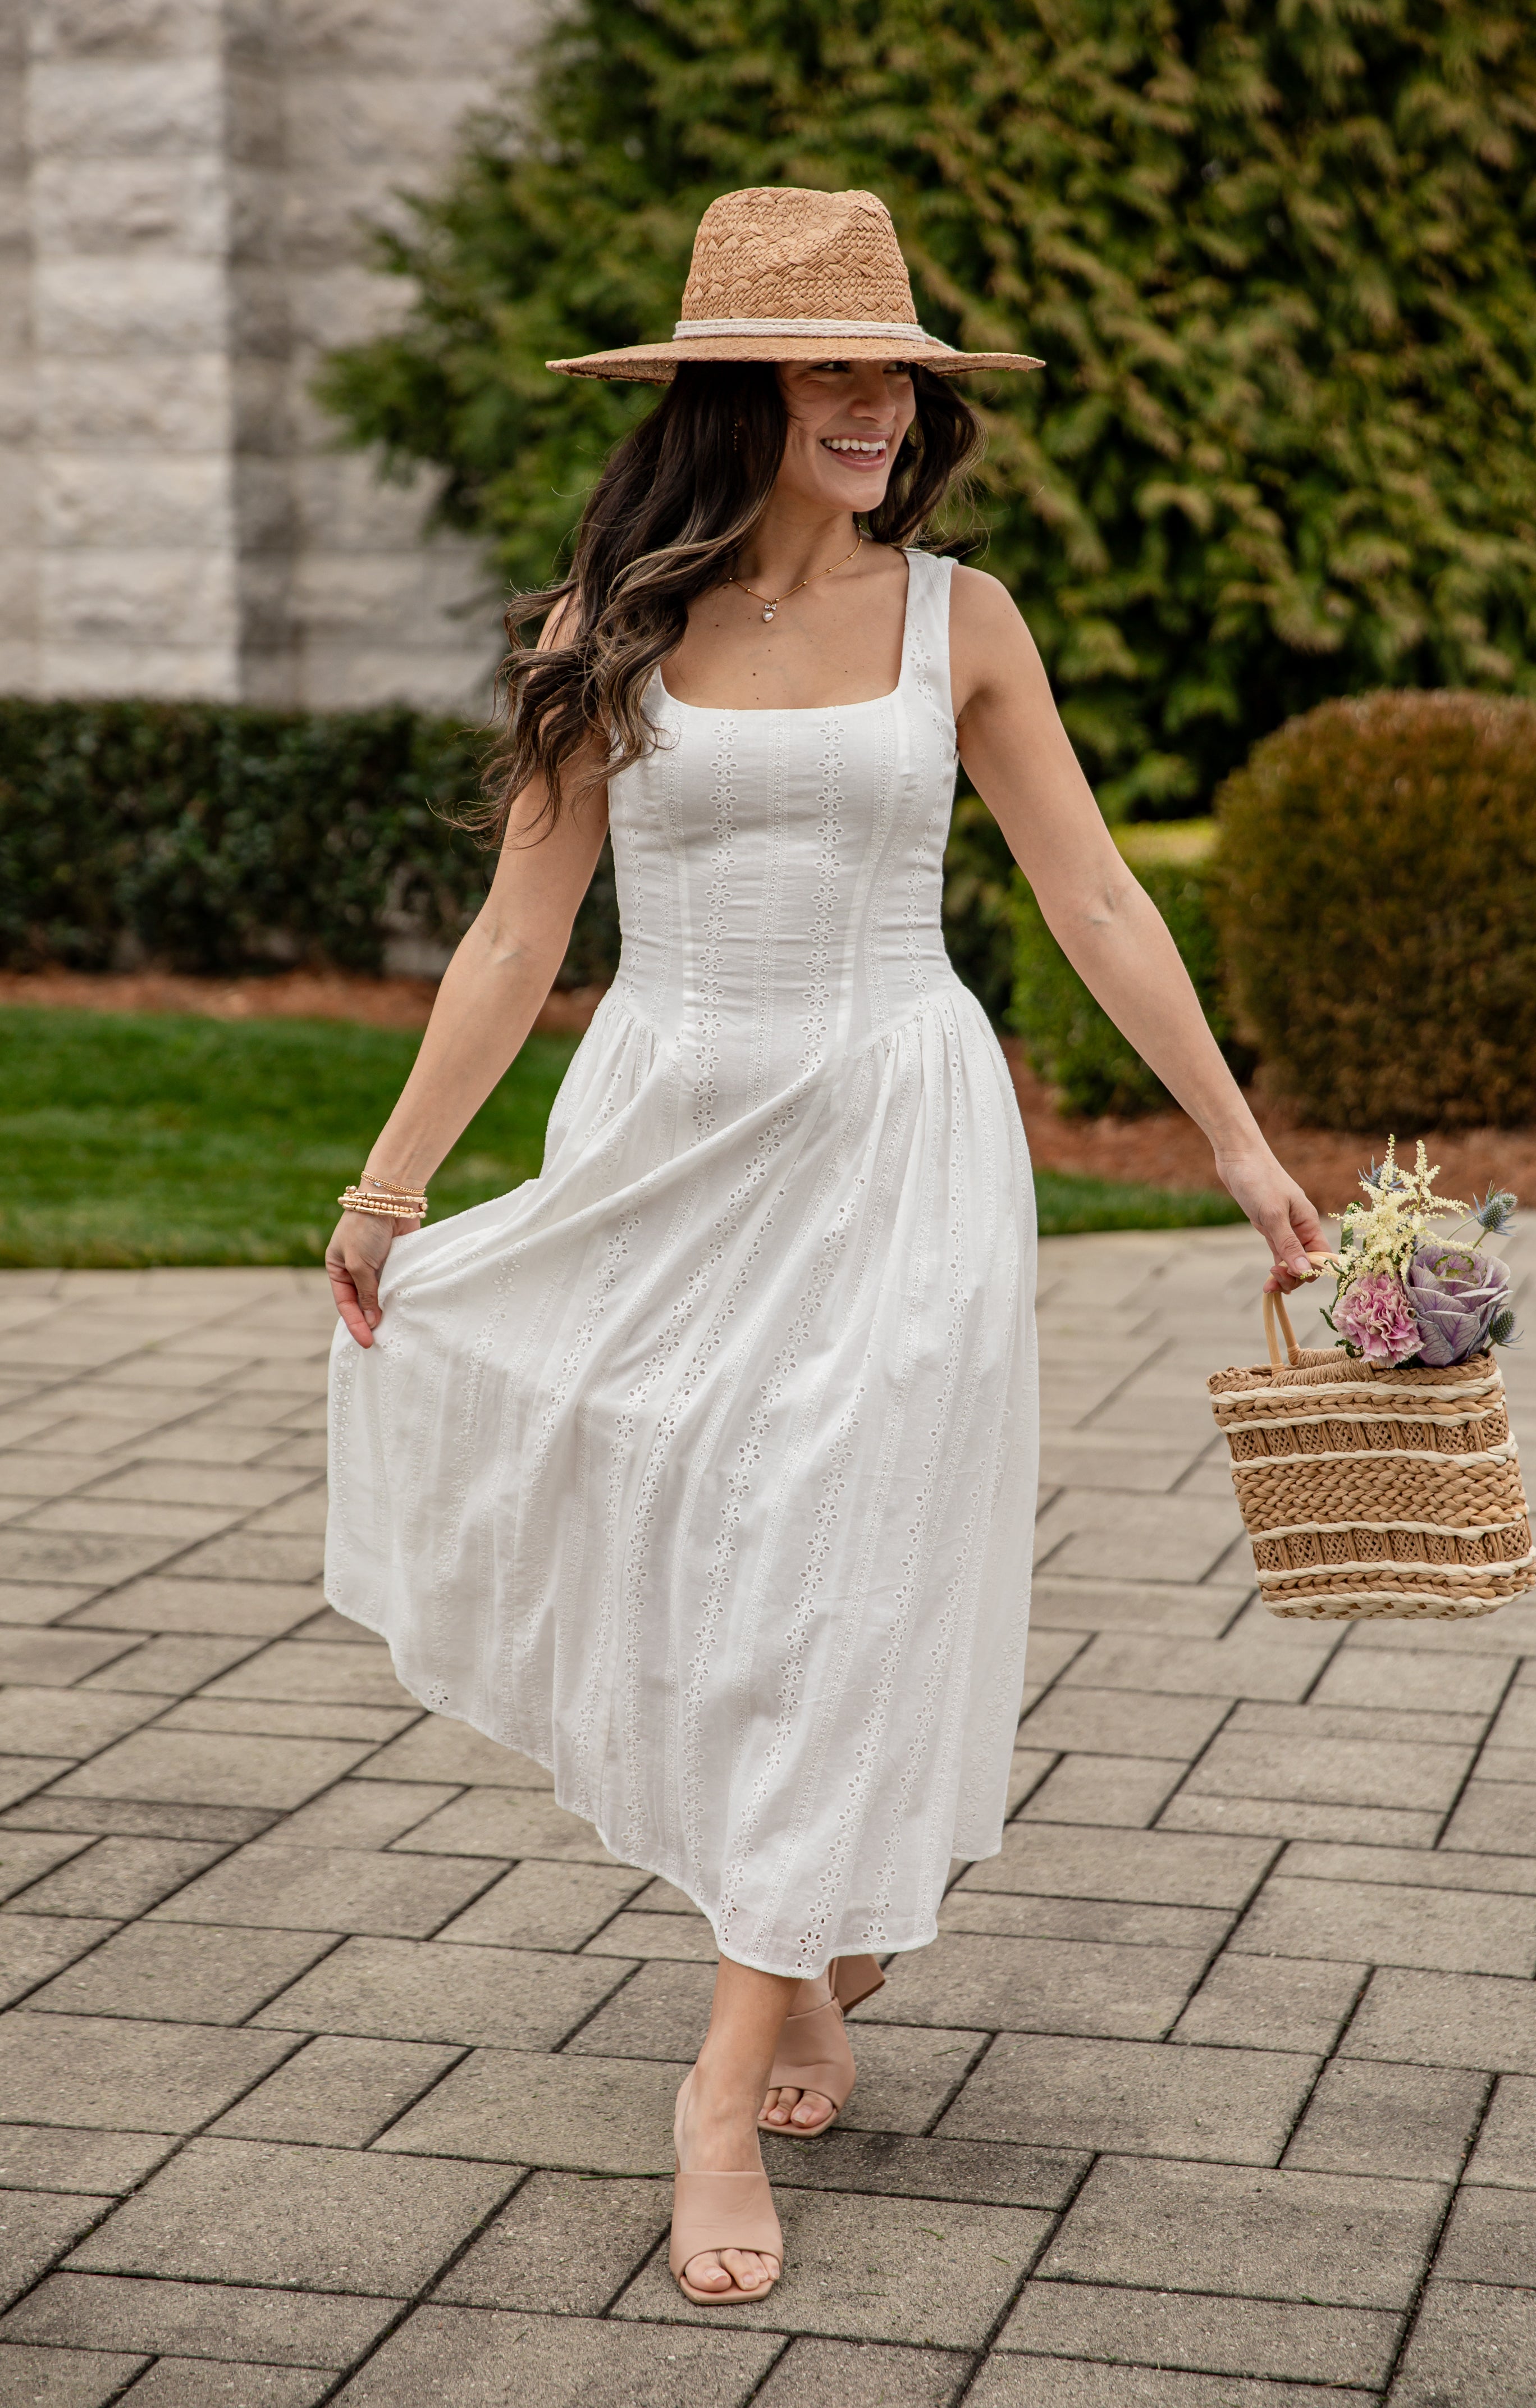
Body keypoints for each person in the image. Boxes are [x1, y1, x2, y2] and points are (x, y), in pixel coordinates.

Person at [323, 185, 1322, 2306]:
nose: (878, 407)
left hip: (898, 1146)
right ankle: (810, 1958)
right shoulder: (607, 623)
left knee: (841, 1567)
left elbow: (1098, 905)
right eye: (834, 369)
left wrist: (1241, 1155)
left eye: (897, 373)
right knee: (709, 1563)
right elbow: (518, 934)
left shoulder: (963, 620)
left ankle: (718, 2074)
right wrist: (393, 1183)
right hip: (669, 1148)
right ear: (735, 390)